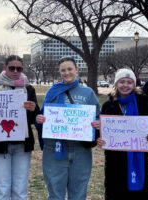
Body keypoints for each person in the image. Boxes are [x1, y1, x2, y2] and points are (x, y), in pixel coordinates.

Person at [36, 57, 101, 200]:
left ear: (76, 70)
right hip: (55, 148)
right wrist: (40, 120)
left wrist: (98, 123)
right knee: (55, 194)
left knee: (78, 194)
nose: (67, 73)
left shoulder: (88, 93)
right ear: (60, 73)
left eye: (70, 69)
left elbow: (98, 116)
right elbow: (43, 115)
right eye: (63, 70)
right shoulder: (52, 92)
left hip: (80, 150)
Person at [96, 68, 148, 200]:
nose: (125, 85)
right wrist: (100, 138)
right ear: (116, 84)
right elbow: (103, 132)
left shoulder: (145, 103)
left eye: (129, 82)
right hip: (115, 164)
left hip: (139, 161)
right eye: (122, 82)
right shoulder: (108, 106)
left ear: (134, 85)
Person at [0, 55, 39, 200]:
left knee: (20, 189)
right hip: (0, 146)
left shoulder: (29, 90)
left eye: (19, 68)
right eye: (12, 68)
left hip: (23, 145)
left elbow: (34, 119)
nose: (15, 71)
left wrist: (34, 109)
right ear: (5, 68)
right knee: (2, 189)